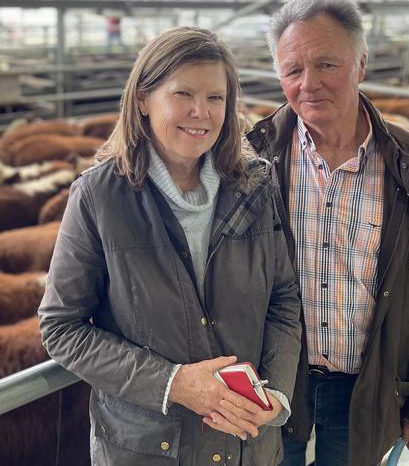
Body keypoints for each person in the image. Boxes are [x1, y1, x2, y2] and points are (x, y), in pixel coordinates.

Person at [38, 26, 302, 465]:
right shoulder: (100, 197)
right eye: (183, 94)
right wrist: (173, 383)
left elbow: (283, 297)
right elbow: (62, 328)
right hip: (148, 450)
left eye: (216, 98)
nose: (201, 112)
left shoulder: (255, 187)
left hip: (247, 444)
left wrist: (275, 392)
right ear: (142, 99)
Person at [245, 0, 409, 466]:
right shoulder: (250, 162)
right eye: (293, 70)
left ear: (361, 63)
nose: (309, 84)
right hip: (271, 387)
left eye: (327, 64)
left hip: (369, 389)